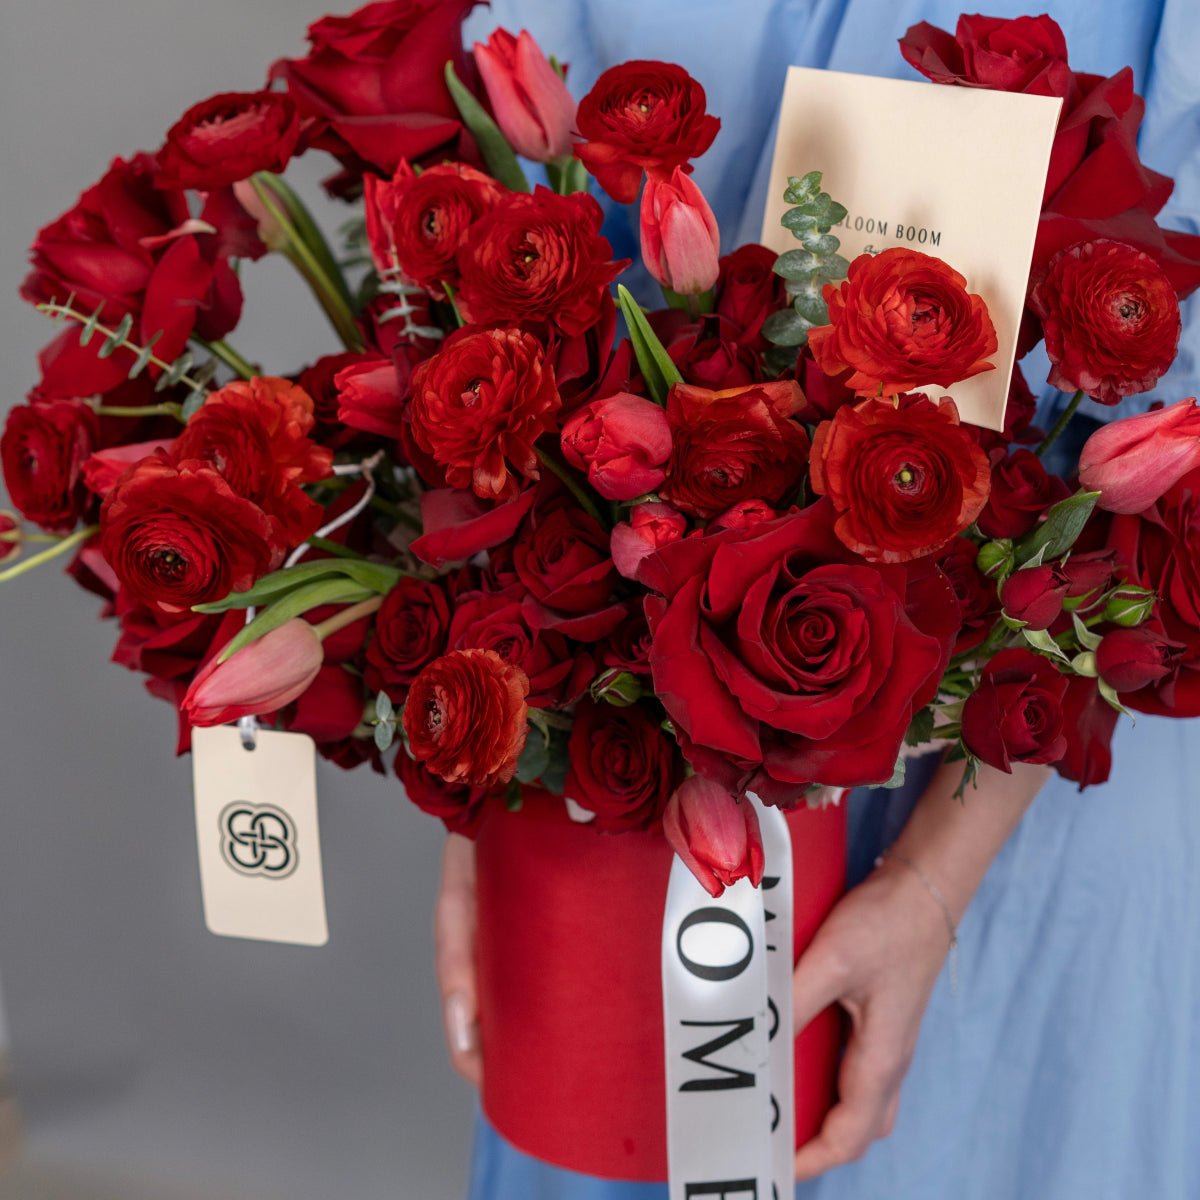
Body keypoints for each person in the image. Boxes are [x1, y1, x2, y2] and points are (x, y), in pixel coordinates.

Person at [443, 2, 1200, 1196]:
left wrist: (935, 882)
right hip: (625, 772)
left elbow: (1178, 429)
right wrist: (490, 766)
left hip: (1019, 772)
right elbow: (515, 247)